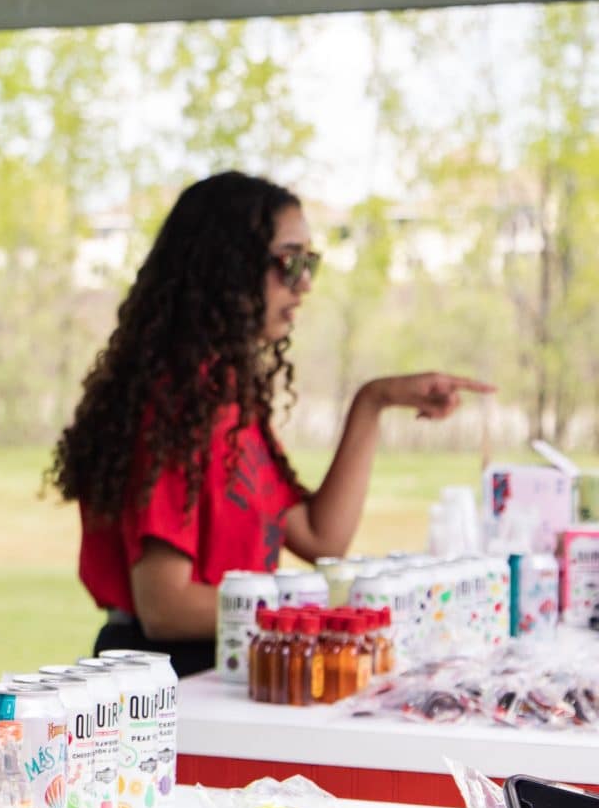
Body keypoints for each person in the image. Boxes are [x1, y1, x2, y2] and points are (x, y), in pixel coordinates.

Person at [48, 171, 489, 677]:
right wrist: (316, 611)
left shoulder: (229, 403)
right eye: (289, 261)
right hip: (162, 684)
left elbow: (321, 538)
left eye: (310, 263)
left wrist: (374, 401)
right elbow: (166, 608)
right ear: (226, 268)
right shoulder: (173, 406)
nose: (304, 283)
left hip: (227, 665)